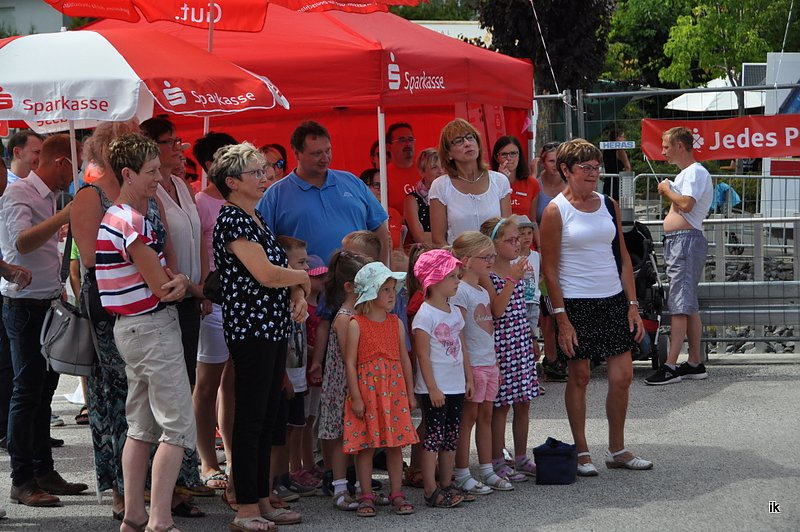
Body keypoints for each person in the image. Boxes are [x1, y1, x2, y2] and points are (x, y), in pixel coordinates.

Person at [96, 133, 194, 532]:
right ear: (127, 174)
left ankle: (136, 512)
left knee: (140, 426)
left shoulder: (114, 218)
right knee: (176, 427)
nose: (159, 177)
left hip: (129, 329)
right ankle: (160, 518)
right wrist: (184, 281)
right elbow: (164, 286)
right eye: (152, 171)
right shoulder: (133, 222)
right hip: (152, 327)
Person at [210, 142, 310, 531]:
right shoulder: (233, 219)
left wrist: (297, 293)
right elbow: (266, 274)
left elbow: (278, 269)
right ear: (232, 182)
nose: (265, 176)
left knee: (268, 413)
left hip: (270, 325)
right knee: (251, 416)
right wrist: (304, 279)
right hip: (251, 328)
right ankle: (246, 506)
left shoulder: (255, 217)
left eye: (264, 169)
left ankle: (262, 498)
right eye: (256, 172)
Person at [72, 119, 167, 521]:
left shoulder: (150, 195)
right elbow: (91, 260)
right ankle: (120, 490)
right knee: (114, 398)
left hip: (153, 306)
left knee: (146, 398)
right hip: (112, 310)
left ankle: (152, 484)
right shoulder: (90, 198)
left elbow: (166, 246)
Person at [540, 138, 651, 476]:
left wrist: (632, 305)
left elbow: (621, 257)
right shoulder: (555, 210)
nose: (593, 173)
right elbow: (549, 269)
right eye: (585, 168)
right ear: (566, 170)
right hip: (575, 302)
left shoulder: (608, 203)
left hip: (613, 298)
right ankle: (583, 450)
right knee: (581, 375)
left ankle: (617, 448)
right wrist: (562, 319)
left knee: (623, 376)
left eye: (596, 167)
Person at [0, 134, 88, 508]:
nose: (80, 171)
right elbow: (19, 243)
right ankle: (21, 479)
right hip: (24, 306)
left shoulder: (47, 195)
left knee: (44, 390)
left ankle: (43, 470)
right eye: (77, 162)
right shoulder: (19, 194)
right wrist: (62, 218)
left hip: (47, 302)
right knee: (27, 391)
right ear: (60, 163)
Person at [343, 261, 418, 517]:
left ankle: (396, 491)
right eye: (385, 289)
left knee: (396, 444)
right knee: (366, 446)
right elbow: (350, 364)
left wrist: (409, 393)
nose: (391, 294)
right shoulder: (356, 324)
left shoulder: (395, 322)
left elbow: (404, 359)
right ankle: (365, 493)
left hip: (394, 392)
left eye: (392, 289)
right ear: (371, 293)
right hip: (367, 393)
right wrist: (355, 397)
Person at [257, 120, 390, 264]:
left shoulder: (352, 182)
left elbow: (379, 229)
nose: (325, 158)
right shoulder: (275, 195)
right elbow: (261, 244)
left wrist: (382, 272)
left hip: (359, 279)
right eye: (317, 153)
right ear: (297, 153)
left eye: (328, 150)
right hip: (309, 283)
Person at [645, 127, 713, 386]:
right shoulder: (689, 174)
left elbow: (686, 204)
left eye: (666, 146)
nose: (663, 151)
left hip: (684, 242)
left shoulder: (694, 172)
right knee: (688, 303)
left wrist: (666, 189)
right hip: (681, 241)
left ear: (680, 146)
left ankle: (671, 364)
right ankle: (694, 361)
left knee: (680, 304)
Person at [191, 131, 238, 498]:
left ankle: (234, 456)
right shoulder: (200, 202)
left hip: (242, 302)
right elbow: (196, 251)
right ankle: (207, 460)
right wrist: (202, 292)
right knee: (206, 385)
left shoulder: (242, 200)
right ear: (211, 165)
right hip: (213, 302)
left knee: (233, 384)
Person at [451, 232, 513, 494]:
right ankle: (461, 471)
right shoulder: (460, 291)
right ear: (466, 260)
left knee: (485, 415)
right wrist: (466, 371)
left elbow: (488, 331)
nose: (490, 260)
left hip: (488, 362)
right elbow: (461, 334)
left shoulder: (482, 291)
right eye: (485, 257)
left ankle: (486, 468)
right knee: (469, 418)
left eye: (491, 256)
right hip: (473, 364)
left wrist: (495, 364)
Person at [479, 217, 539, 482]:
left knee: (523, 401)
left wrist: (532, 338)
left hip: (520, 342)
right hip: (501, 346)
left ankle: (521, 455)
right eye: (511, 240)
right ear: (494, 244)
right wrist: (512, 280)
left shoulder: (517, 268)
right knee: (500, 406)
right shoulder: (489, 275)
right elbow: (497, 310)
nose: (518, 244)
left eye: (519, 238)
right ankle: (497, 458)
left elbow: (525, 307)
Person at [412, 249, 472, 508]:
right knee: (433, 437)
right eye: (452, 276)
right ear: (434, 280)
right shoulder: (425, 315)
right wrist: (432, 387)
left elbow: (462, 346)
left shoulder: (454, 312)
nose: (458, 280)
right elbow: (423, 356)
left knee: (451, 436)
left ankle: (446, 482)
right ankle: (430, 488)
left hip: (456, 384)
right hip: (435, 388)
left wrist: (468, 378)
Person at [316, 250, 369, 511]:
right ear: (350, 287)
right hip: (344, 386)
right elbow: (353, 355)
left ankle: (361, 486)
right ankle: (339, 487)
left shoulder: (359, 314)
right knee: (340, 436)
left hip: (355, 384)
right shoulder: (345, 317)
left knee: (358, 436)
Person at [430, 119, 512, 246]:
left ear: (478, 144)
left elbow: (507, 232)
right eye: (458, 141)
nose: (467, 143)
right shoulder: (440, 186)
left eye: (470, 137)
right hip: (458, 262)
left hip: (495, 261)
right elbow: (438, 240)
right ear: (448, 154)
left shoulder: (500, 181)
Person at [535, 142, 567, 382]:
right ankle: (552, 358)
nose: (554, 166)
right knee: (547, 310)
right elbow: (530, 219)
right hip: (543, 250)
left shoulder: (569, 184)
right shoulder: (536, 185)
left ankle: (568, 352)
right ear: (542, 161)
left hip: (567, 251)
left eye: (558, 161)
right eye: (550, 161)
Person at [491, 136, 540, 223]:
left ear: (519, 156)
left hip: (524, 234)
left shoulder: (531, 183)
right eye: (504, 154)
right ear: (496, 158)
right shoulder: (489, 182)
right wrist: (500, 180)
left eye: (513, 153)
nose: (509, 158)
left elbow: (532, 220)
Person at [403, 148, 441, 246]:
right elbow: (419, 237)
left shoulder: (452, 194)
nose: (441, 171)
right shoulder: (412, 200)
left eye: (444, 167)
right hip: (427, 254)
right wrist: (447, 236)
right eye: (434, 167)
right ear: (422, 171)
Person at [360, 168, 402, 250]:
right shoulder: (359, 213)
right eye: (376, 185)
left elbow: (400, 249)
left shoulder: (394, 213)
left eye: (384, 185)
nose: (381, 189)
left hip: (393, 260)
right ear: (364, 187)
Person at [385, 122, 418, 213]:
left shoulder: (426, 170)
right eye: (402, 140)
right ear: (388, 146)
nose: (408, 144)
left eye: (410, 139)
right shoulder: (383, 176)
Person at [601, 128, 632, 201]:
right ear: (617, 138)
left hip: (608, 180)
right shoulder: (620, 150)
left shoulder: (605, 150)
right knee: (617, 204)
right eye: (623, 136)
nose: (624, 139)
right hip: (618, 181)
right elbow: (627, 166)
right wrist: (627, 184)